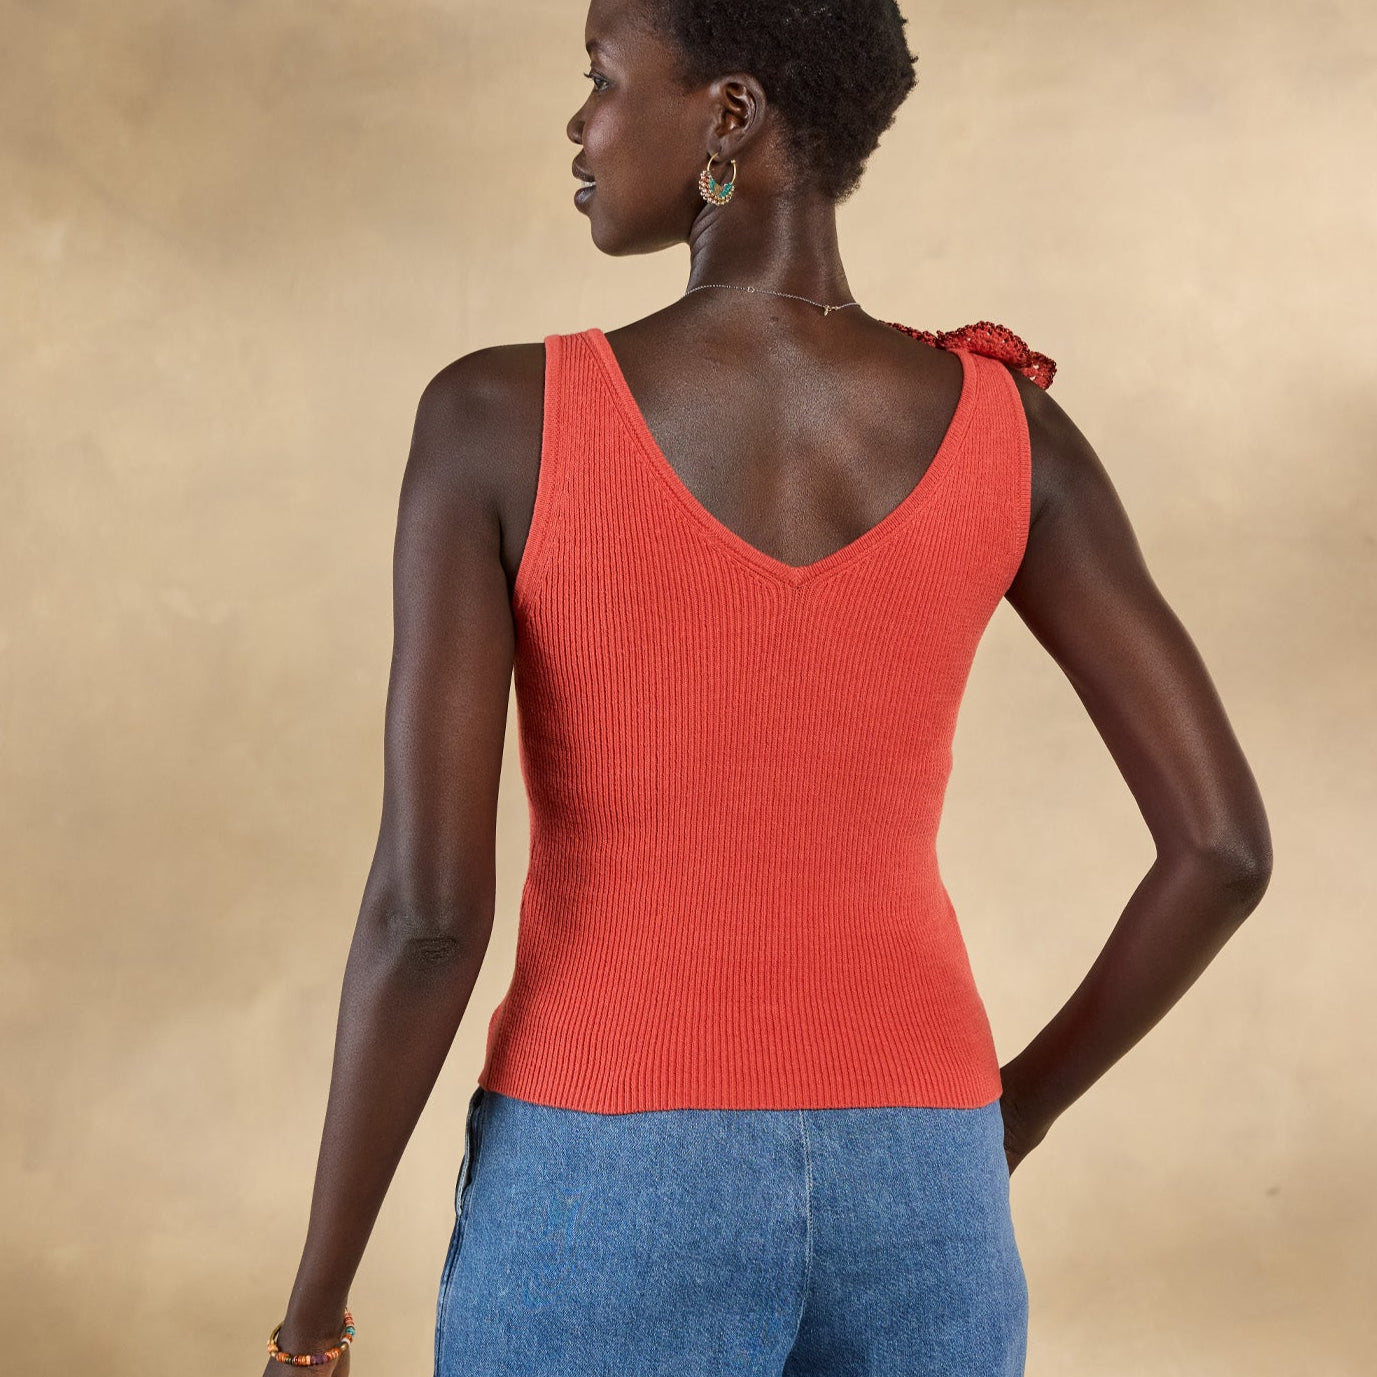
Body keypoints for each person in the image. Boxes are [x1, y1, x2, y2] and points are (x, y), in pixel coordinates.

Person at [261, 0, 1273, 1373]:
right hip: (925, 1181)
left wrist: (314, 1313)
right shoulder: (1010, 429)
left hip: (607, 1172)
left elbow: (429, 917)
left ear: (728, 115)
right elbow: (1220, 851)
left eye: (602, 79)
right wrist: (1008, 1119)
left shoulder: (497, 420)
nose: (579, 126)